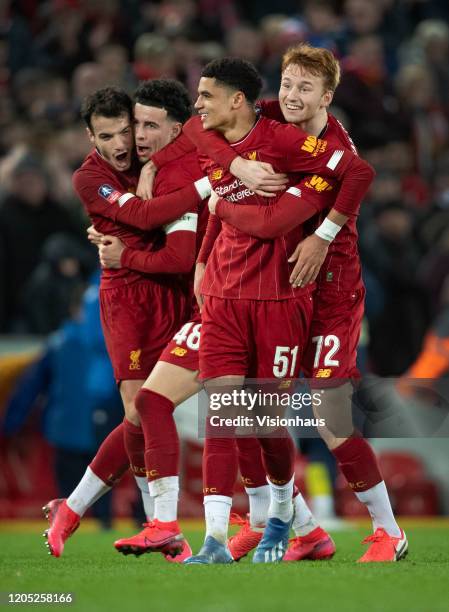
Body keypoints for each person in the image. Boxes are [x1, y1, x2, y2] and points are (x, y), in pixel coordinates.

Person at [190, 44, 406, 563]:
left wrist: (325, 235)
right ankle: (288, 525)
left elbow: (354, 179)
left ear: (327, 96)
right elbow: (201, 128)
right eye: (287, 84)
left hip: (331, 289)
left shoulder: (333, 148)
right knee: (244, 406)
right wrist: (237, 169)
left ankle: (389, 531)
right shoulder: (264, 117)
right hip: (282, 288)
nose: (290, 96)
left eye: (304, 88)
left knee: (328, 416)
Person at [43, 83, 211, 559]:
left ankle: (89, 512)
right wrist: (201, 186)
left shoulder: (149, 157)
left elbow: (195, 134)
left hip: (174, 290)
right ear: (89, 137)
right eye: (107, 135)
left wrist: (161, 165)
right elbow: (142, 214)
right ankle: (151, 522)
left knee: (150, 412)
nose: (121, 144)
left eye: (126, 131)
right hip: (128, 300)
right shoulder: (88, 178)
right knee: (141, 411)